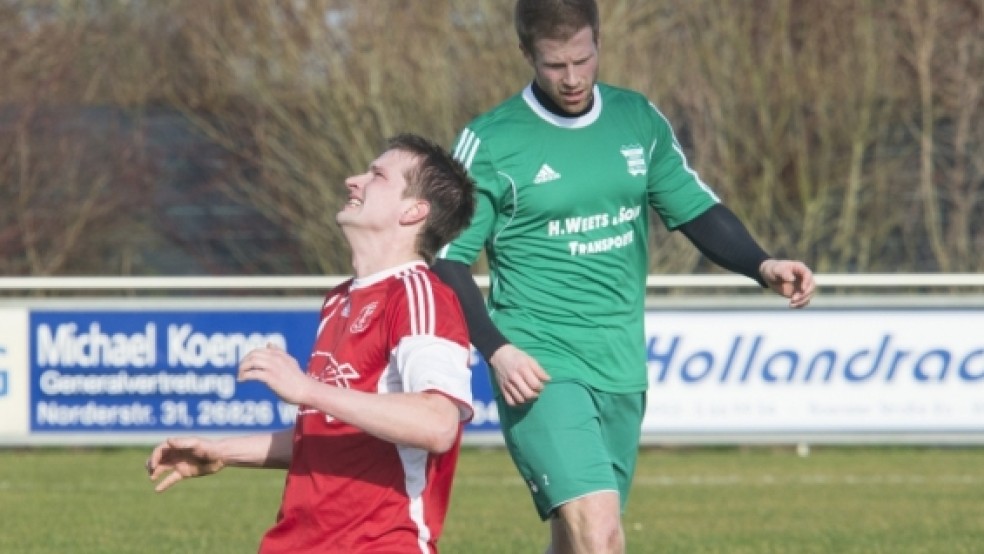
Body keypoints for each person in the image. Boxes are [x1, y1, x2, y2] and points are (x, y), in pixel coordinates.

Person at [431, 1, 816, 553]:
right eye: (554, 65)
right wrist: (497, 350)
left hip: (619, 362)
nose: (572, 78)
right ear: (526, 55)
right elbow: (447, 260)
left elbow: (694, 209)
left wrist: (761, 263)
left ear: (599, 43)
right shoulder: (491, 142)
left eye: (582, 60)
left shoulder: (636, 119)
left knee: (576, 538)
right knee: (602, 534)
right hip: (540, 364)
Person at [146, 133, 477, 554]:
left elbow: (437, 424)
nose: (353, 180)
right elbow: (329, 431)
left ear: (413, 211)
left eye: (376, 175)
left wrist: (307, 390)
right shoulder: (341, 298)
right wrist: (223, 452)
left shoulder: (419, 295)